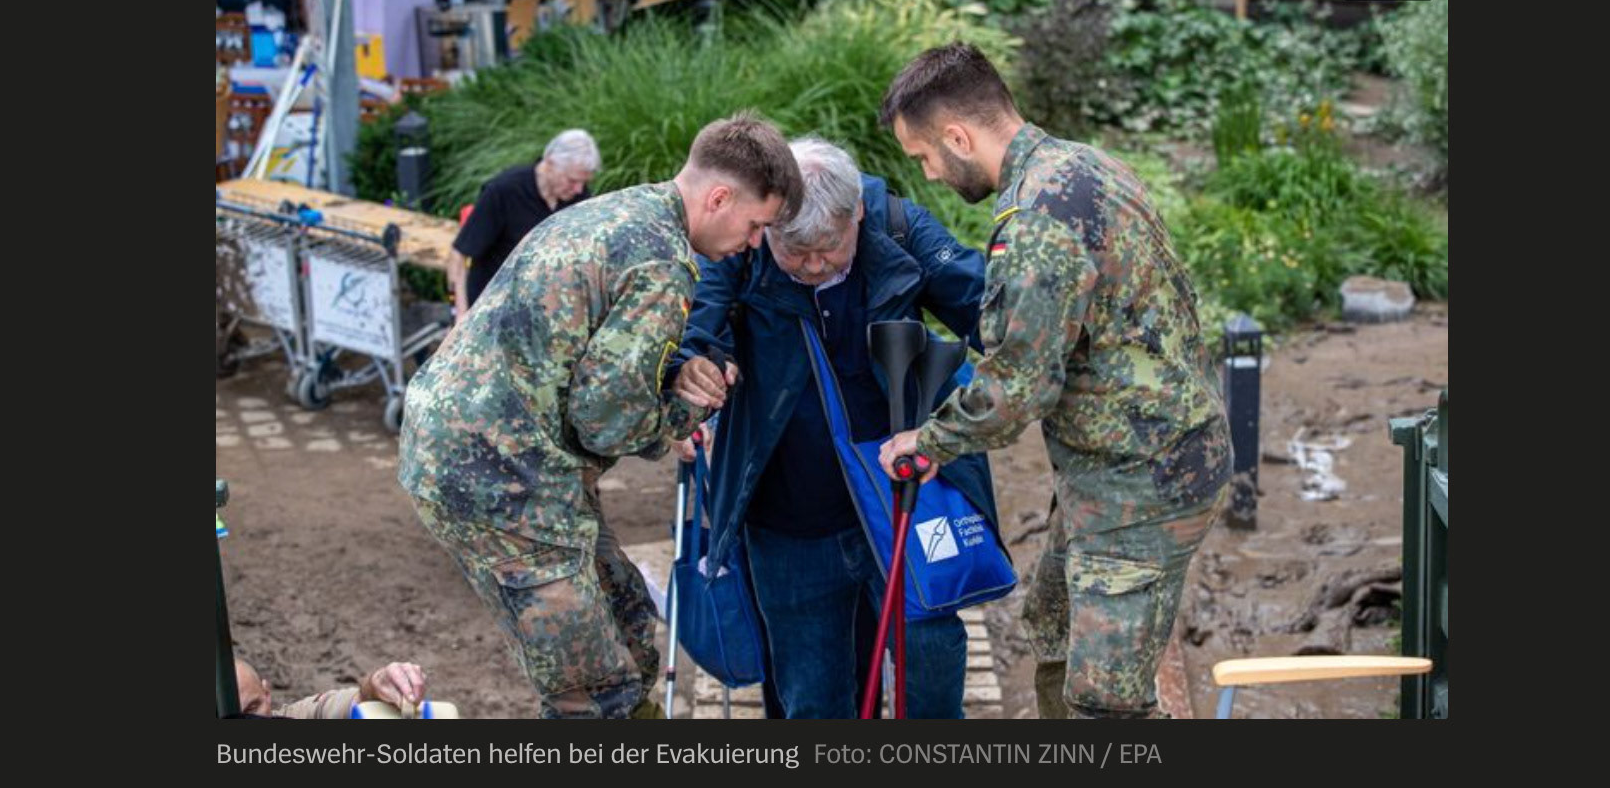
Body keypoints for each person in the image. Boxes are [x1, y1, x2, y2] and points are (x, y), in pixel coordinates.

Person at [399, 112, 804, 719]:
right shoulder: (662, 264)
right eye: (755, 226)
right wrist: (680, 415)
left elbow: (588, 350)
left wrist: (668, 374)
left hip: (502, 453)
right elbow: (605, 421)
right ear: (719, 197)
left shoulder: (620, 212)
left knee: (632, 622)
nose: (753, 244)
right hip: (495, 477)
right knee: (593, 690)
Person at [875, 43, 1233, 720]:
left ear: (958, 136)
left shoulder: (1039, 218)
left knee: (1105, 700)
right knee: (1053, 623)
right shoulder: (1084, 164)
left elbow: (1018, 386)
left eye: (924, 156)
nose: (928, 172)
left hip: (1142, 481)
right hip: (1129, 460)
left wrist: (926, 442)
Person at [671, 137, 997, 718]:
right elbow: (694, 329)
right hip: (788, 519)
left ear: (859, 215)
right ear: (766, 224)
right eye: (794, 251)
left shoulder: (898, 227)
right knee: (812, 693)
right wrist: (692, 373)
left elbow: (987, 308)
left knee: (931, 662)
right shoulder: (740, 249)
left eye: (828, 248)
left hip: (904, 504)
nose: (814, 265)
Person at [446, 129, 601, 317]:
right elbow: (458, 255)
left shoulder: (579, 197)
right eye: (572, 181)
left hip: (544, 311)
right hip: (492, 308)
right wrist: (459, 316)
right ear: (550, 164)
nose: (579, 189)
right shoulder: (504, 191)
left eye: (583, 183)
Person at [234, 658, 426, 719]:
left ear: (267, 694)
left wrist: (378, 684)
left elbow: (352, 704)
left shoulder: (291, 716)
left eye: (252, 708)